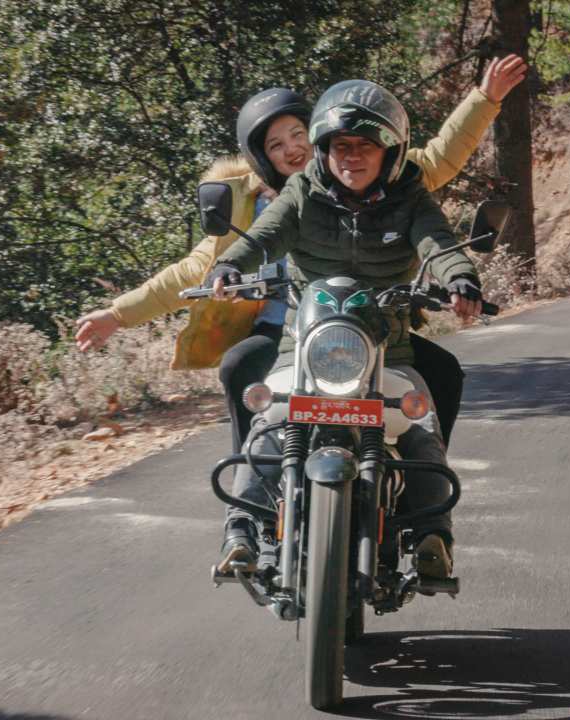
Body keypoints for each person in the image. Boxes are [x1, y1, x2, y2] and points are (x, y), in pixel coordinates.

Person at [75, 57, 527, 455]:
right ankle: (254, 477)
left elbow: (439, 178)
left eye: (297, 134)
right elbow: (201, 268)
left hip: (375, 325)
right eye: (276, 144)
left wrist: (484, 99)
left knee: (443, 372)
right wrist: (119, 313)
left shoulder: (390, 177)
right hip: (290, 328)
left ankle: (427, 476)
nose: (292, 148)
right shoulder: (258, 202)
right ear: (261, 157)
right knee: (239, 366)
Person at [208, 79, 481, 581]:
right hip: (303, 346)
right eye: (340, 146)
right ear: (324, 149)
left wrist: (460, 278)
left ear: (390, 152)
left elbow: (438, 243)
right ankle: (240, 532)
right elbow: (265, 237)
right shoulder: (302, 192)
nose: (351, 157)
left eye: (365, 146)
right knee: (268, 428)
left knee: (419, 429)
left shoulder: (411, 197)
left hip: (387, 349)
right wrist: (228, 265)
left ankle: (432, 537)